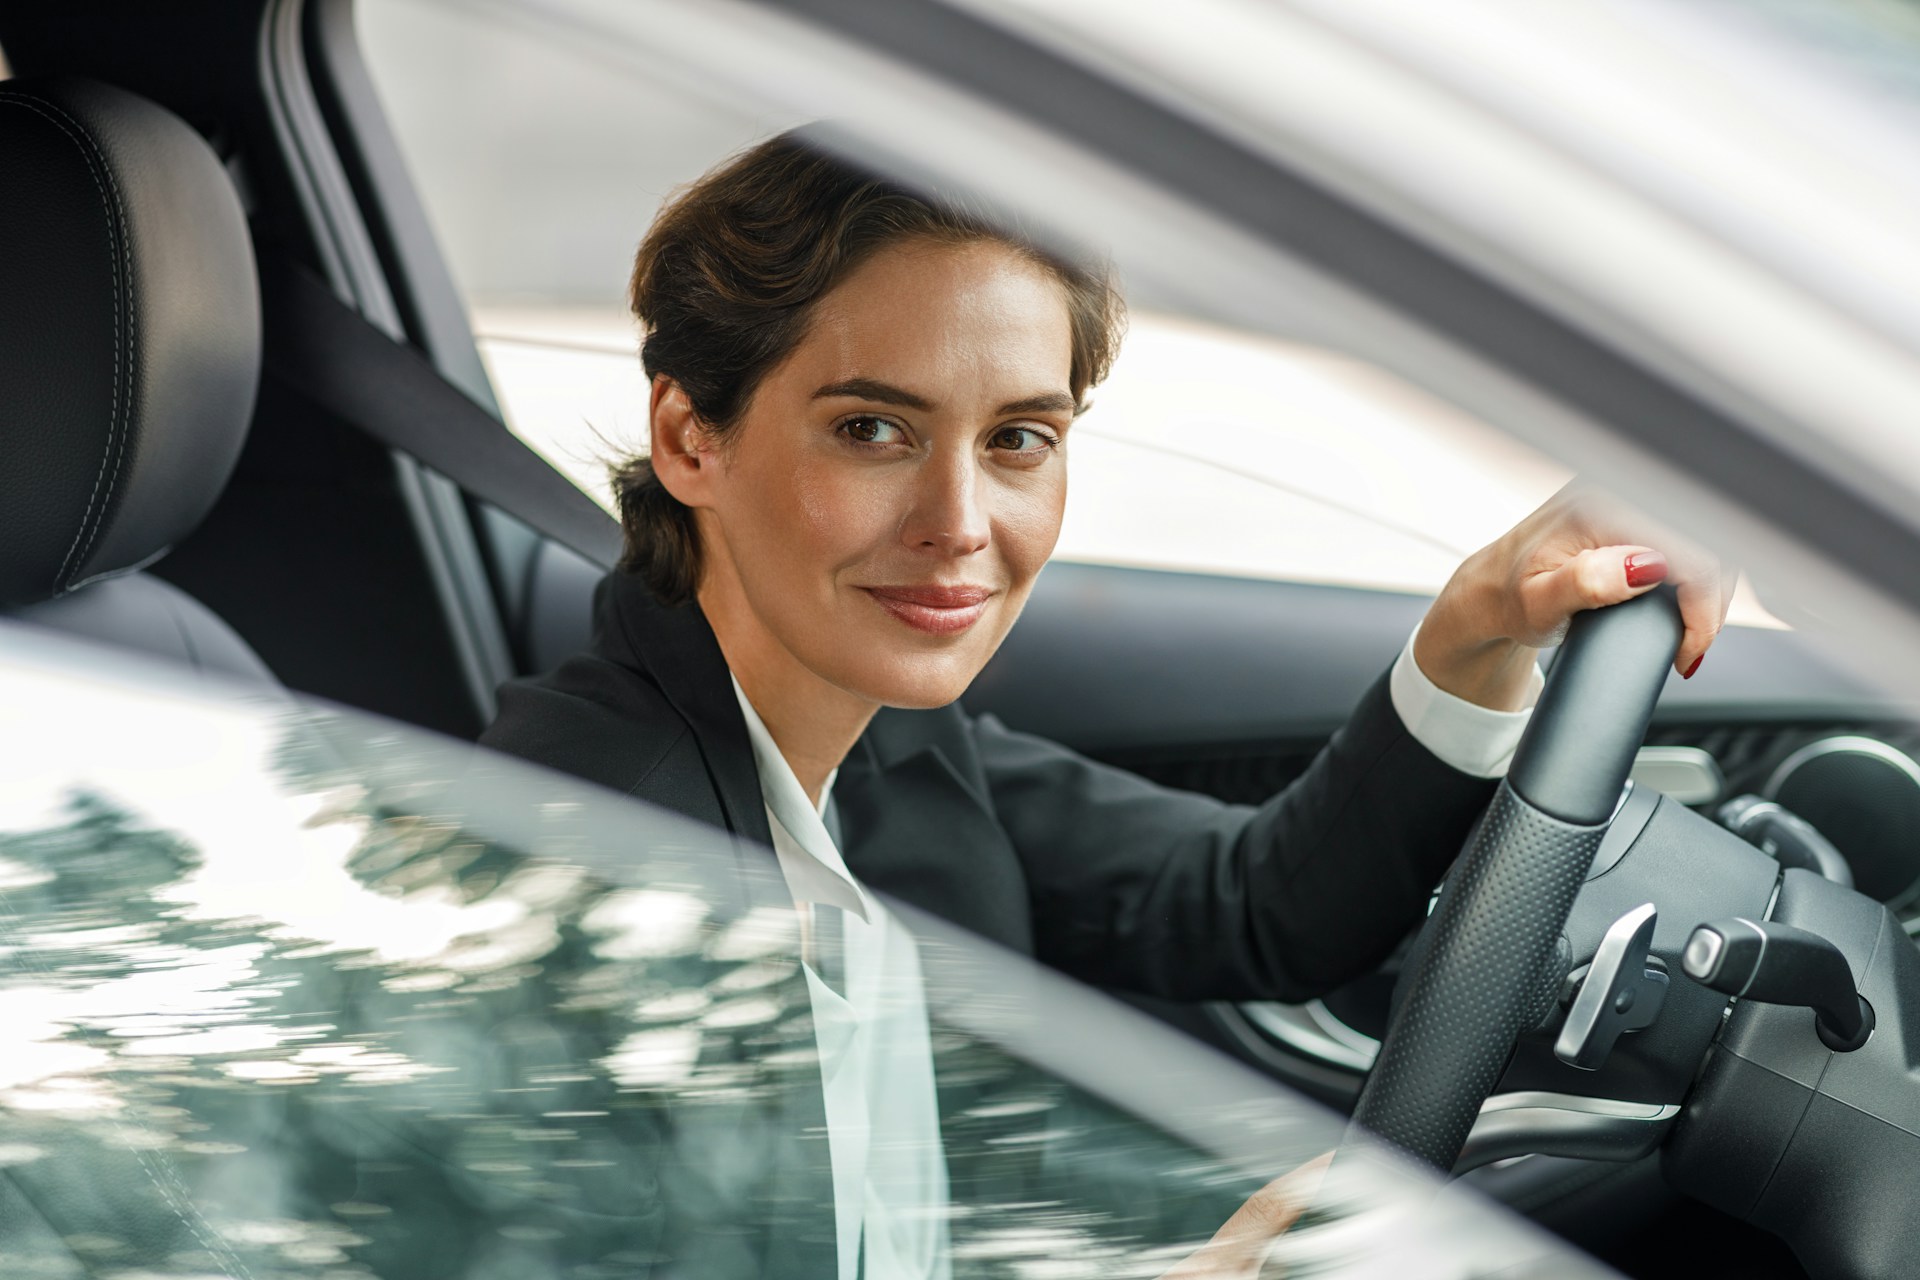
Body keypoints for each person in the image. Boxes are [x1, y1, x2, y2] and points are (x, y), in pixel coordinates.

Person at [479, 131, 1728, 1278]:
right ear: (693, 437)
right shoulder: (586, 846)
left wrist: (1482, 621)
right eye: (873, 428)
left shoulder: (882, 728)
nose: (961, 526)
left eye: (1019, 439)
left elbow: (1249, 905)